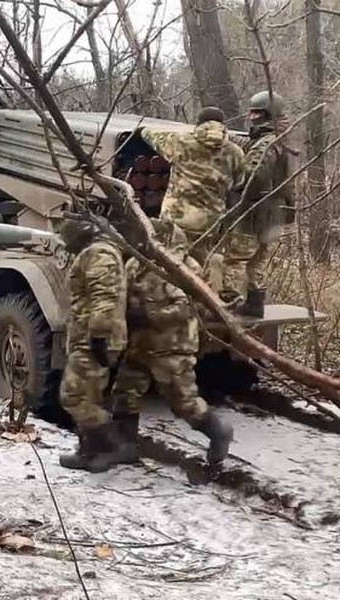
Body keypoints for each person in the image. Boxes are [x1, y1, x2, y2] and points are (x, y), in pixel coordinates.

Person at [109, 219, 234, 465]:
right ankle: (125, 446)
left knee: (183, 401)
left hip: (172, 347)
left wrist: (150, 316)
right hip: (140, 344)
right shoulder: (135, 263)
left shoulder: (185, 269)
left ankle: (218, 431)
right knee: (125, 393)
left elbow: (191, 307)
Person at [137, 107, 247, 293]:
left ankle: (171, 300)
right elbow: (240, 182)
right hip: (209, 223)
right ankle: (209, 304)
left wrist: (142, 130)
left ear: (199, 124)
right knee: (205, 265)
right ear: (222, 126)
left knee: (172, 264)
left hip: (176, 220)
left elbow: (148, 134)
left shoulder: (181, 141)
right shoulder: (234, 152)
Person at [57, 217, 129, 472]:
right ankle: (89, 452)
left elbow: (104, 298)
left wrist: (98, 337)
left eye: (68, 242)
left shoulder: (99, 255)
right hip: (89, 337)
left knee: (73, 396)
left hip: (95, 339)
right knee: (88, 394)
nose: (67, 248)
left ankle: (112, 445)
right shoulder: (98, 251)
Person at [222, 91, 294, 317]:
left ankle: (227, 306)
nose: (251, 117)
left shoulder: (267, 143)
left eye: (256, 113)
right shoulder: (279, 139)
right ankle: (254, 304)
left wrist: (235, 190)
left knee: (235, 259)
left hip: (255, 212)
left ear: (267, 115)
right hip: (273, 213)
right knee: (256, 261)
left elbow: (255, 174)